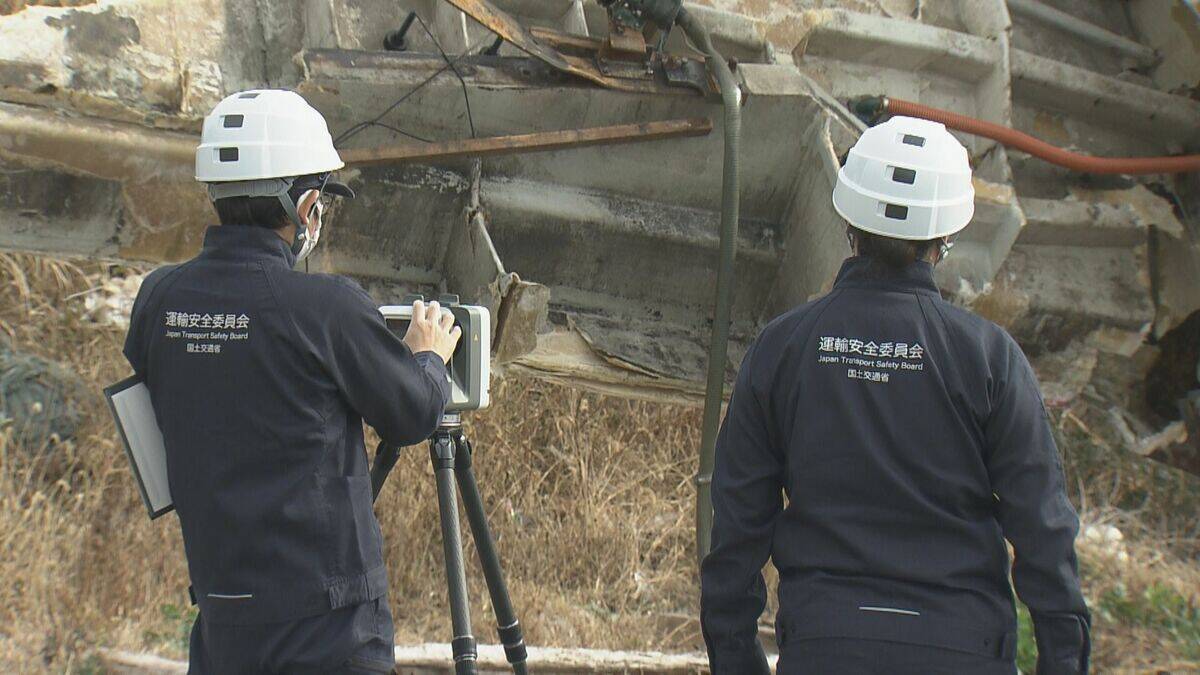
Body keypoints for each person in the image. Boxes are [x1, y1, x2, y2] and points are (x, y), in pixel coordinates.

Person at [699, 116, 1090, 674]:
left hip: (825, 649)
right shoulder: (989, 358)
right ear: (946, 238)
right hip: (963, 651)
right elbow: (1044, 528)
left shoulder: (784, 347)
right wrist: (1064, 660)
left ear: (848, 223)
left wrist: (737, 660)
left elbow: (737, 528)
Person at [122, 89, 461, 674]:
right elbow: (411, 415)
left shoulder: (159, 297)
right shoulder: (324, 307)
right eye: (321, 199)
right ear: (306, 207)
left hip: (224, 621)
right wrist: (426, 358)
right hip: (328, 629)